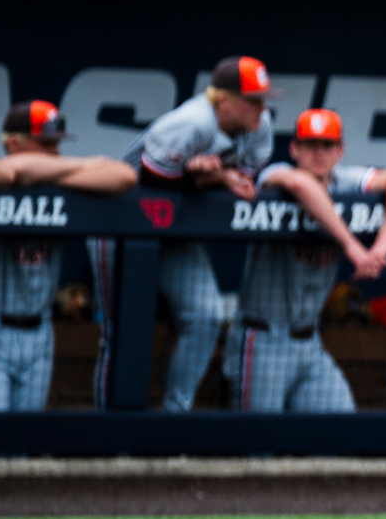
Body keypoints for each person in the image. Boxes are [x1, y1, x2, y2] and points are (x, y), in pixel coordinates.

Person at [95, 56, 276, 411]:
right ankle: (110, 433)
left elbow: (245, 181)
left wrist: (213, 175)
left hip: (176, 232)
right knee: (121, 334)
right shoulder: (190, 123)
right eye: (252, 99)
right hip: (117, 221)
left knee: (207, 315)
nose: (262, 108)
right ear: (223, 101)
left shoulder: (261, 125)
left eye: (263, 99)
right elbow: (154, 185)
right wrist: (212, 176)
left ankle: (173, 416)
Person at [225, 108, 386, 412]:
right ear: (294, 148)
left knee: (339, 424)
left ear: (340, 150)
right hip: (261, 339)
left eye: (327, 145)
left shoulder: (344, 180)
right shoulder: (275, 174)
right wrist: (354, 248)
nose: (318, 152)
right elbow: (302, 185)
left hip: (310, 342)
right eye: (310, 144)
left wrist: (382, 245)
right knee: (258, 444)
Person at [0, 101, 133, 410]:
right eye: (45, 144)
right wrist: (23, 171)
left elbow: (123, 175)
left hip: (40, 334)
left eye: (57, 145)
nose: (55, 153)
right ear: (13, 143)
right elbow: (1, 174)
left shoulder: (61, 184)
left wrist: (43, 173)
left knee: (23, 447)